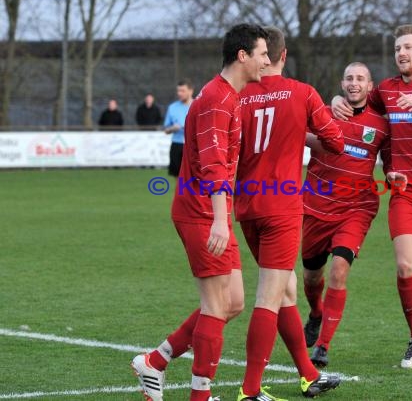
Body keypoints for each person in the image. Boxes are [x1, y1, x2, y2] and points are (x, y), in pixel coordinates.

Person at [131, 24, 270, 401]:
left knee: (234, 303)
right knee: (215, 306)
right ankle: (200, 396)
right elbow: (213, 167)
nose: (267, 60)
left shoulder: (229, 95)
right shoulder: (215, 100)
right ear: (243, 56)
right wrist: (221, 220)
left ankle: (155, 362)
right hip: (201, 212)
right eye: (262, 53)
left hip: (210, 211)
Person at [332, 24, 412, 369]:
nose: (401, 53)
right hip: (405, 192)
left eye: (407, 48)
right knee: (405, 265)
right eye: (397, 49)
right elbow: (362, 102)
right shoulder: (387, 90)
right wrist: (337, 100)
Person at [234, 26, 343, 401]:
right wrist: (303, 135)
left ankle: (309, 375)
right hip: (281, 207)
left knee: (286, 292)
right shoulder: (302, 92)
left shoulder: (238, 95)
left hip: (246, 204)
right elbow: (336, 143)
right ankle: (250, 390)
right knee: (269, 296)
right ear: (284, 55)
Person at [301, 62, 391, 368]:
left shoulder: (380, 124)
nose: (354, 83)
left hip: (357, 207)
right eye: (350, 78)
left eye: (360, 79)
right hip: (316, 205)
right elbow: (300, 132)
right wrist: (321, 140)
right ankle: (315, 313)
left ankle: (323, 346)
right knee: (312, 277)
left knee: (339, 270)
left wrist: (396, 176)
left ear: (370, 86)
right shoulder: (323, 114)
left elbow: (390, 162)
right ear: (342, 84)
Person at [163, 79, 194, 177]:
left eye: (182, 91)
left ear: (190, 91)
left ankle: (192, 192)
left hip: (193, 145)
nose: (179, 93)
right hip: (177, 145)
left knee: (194, 176)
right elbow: (166, 130)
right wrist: (173, 128)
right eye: (178, 91)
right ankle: (179, 193)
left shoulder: (198, 105)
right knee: (177, 176)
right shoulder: (172, 107)